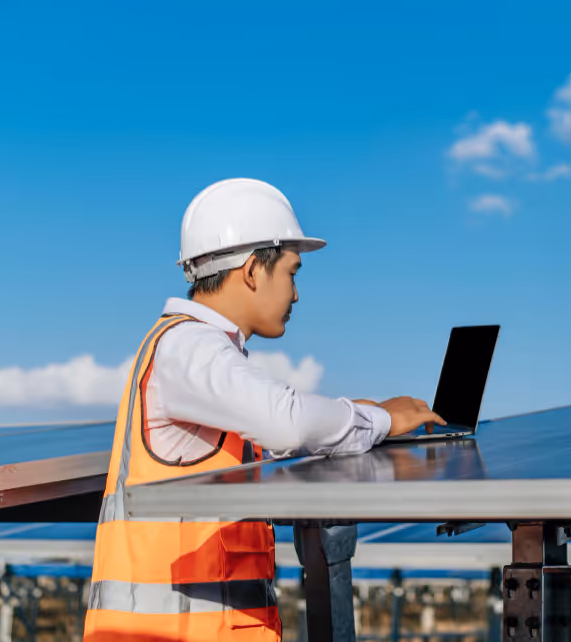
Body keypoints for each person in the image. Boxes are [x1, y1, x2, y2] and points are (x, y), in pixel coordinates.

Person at [83, 178, 444, 641]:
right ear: (254, 270)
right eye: (293, 273)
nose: (296, 294)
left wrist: (353, 414)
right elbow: (287, 422)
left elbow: (266, 433)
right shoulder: (189, 346)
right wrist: (382, 420)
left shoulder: (192, 351)